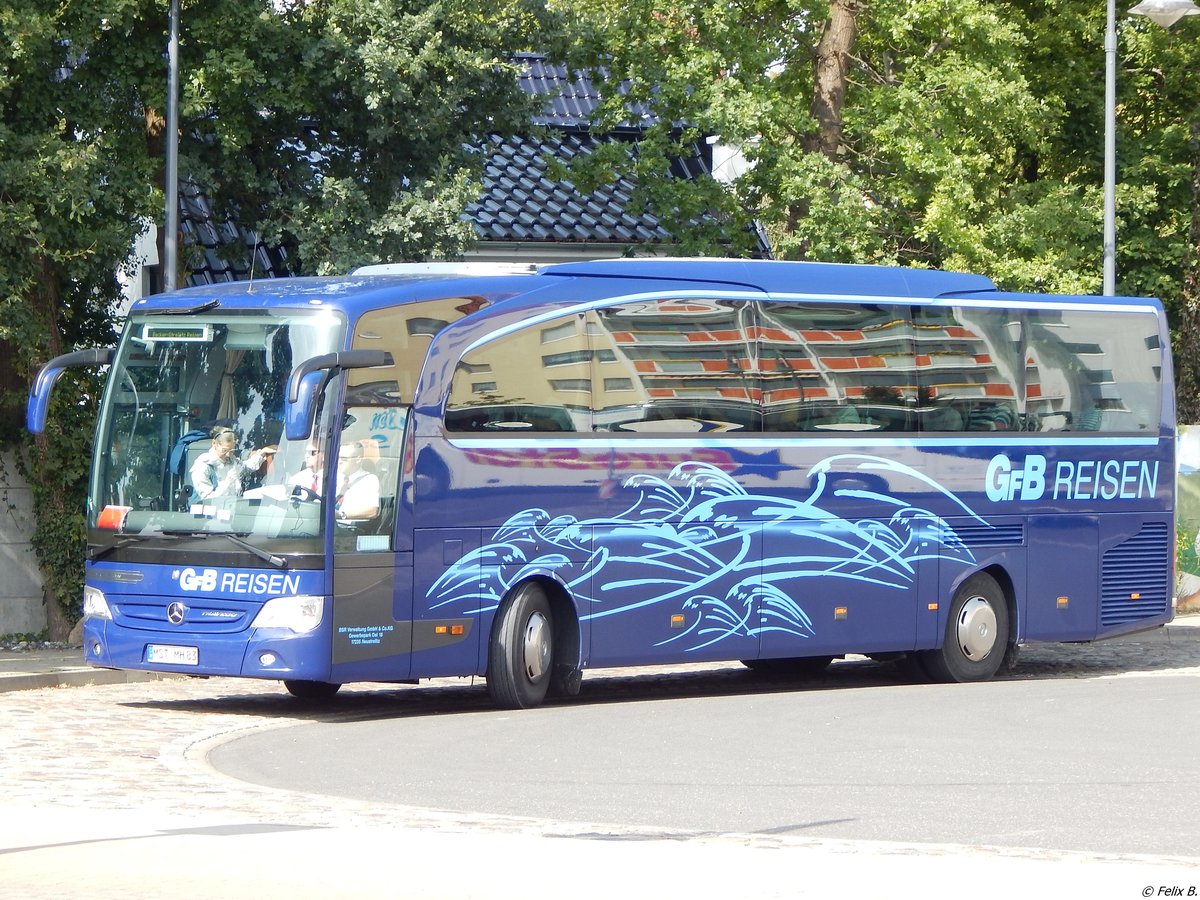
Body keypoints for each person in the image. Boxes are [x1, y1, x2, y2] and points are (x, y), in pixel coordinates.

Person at [189, 426, 272, 501]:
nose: (228, 455)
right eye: (224, 450)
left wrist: (262, 453)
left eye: (231, 451)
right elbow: (206, 499)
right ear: (214, 444)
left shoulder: (232, 461)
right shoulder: (202, 466)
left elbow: (246, 467)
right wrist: (227, 482)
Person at [333, 441, 380, 522]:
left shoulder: (370, 480)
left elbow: (372, 511)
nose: (339, 462)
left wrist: (342, 514)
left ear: (358, 459)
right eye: (338, 458)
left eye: (344, 459)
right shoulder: (334, 478)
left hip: (352, 530)